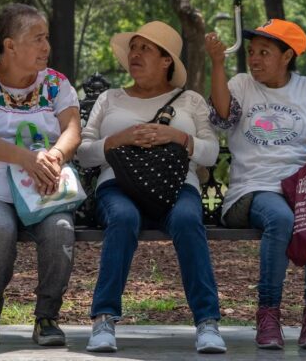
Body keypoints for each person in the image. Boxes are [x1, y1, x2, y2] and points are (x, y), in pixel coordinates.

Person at [205, 19, 306, 350]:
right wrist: (217, 64)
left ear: (287, 56)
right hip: (251, 191)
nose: (254, 59)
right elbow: (222, 117)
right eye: (252, 52)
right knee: (281, 218)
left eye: (264, 53)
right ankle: (268, 315)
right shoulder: (240, 84)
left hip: (302, 188)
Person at [76, 21, 226, 354]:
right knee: (124, 218)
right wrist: (118, 140)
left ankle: (207, 323)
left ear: (166, 61)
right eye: (133, 47)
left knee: (188, 220)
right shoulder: (109, 98)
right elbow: (84, 154)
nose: (135, 54)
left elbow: (212, 153)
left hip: (178, 186)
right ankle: (103, 319)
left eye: (146, 48)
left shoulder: (190, 100)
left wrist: (178, 137)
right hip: (116, 185)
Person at [0, 4, 82, 347]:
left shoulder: (55, 83)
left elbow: (71, 129)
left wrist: (53, 156)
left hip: (44, 187)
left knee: (60, 230)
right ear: (10, 45)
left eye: (47, 38)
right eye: (37, 39)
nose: (45, 47)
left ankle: (48, 317)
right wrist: (27, 158)